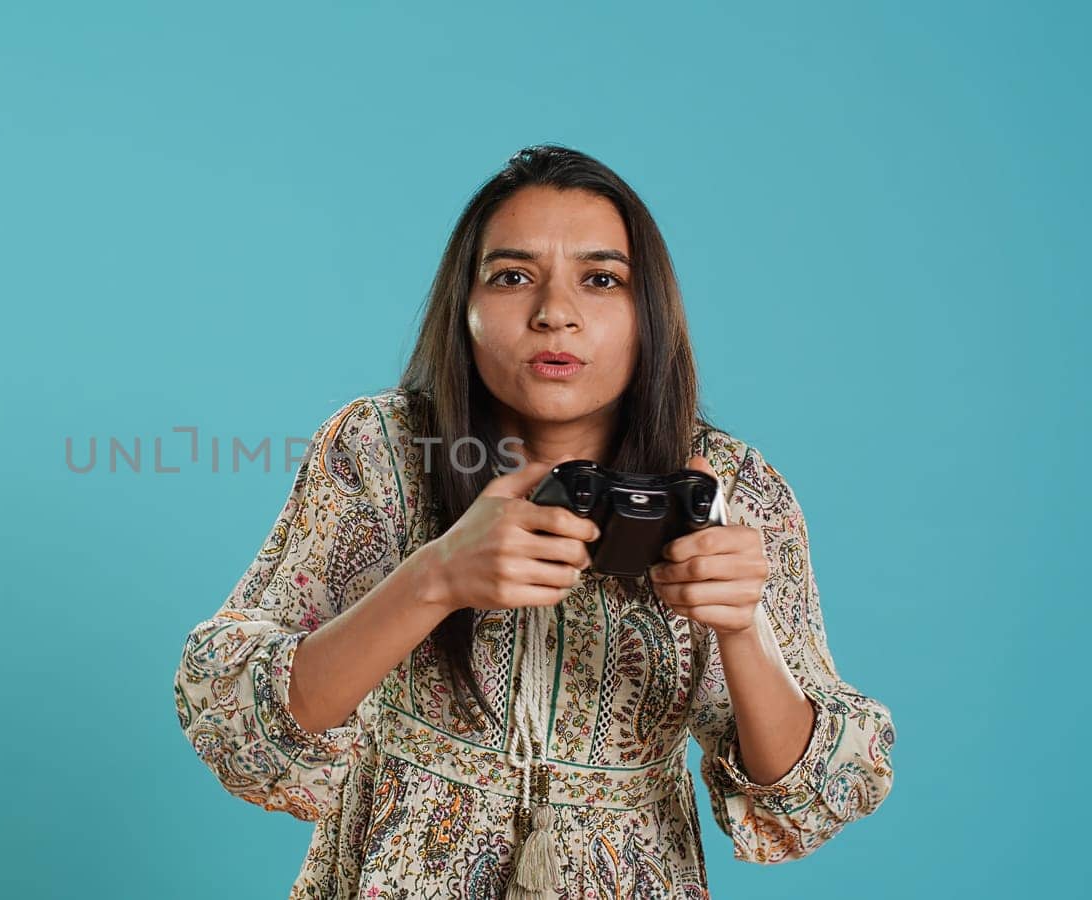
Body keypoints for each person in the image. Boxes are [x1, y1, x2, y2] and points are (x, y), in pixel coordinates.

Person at [172, 144, 896, 899]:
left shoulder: (732, 487)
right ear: (467, 305)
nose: (556, 314)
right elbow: (241, 722)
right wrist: (435, 576)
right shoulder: (381, 450)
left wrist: (745, 629)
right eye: (513, 277)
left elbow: (805, 802)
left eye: (602, 280)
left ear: (648, 312)